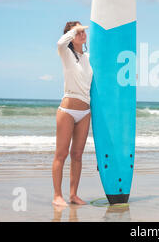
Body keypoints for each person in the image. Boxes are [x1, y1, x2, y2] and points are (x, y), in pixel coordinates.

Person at [53, 21, 93, 206]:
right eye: (78, 32)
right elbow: (60, 43)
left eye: (83, 31)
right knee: (61, 154)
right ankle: (57, 196)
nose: (82, 33)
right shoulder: (66, 54)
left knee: (77, 155)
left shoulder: (89, 57)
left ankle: (73, 195)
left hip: (85, 111)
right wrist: (73, 30)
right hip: (67, 111)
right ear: (71, 36)